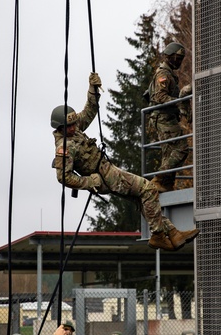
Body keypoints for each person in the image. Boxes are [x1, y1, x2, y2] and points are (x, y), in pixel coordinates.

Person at [52, 73, 198, 252]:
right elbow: (63, 177)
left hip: (107, 171)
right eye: (69, 126)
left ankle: (174, 234)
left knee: (141, 199)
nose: (74, 127)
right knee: (148, 188)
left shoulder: (73, 132)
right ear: (59, 128)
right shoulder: (65, 146)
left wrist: (93, 90)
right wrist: (90, 182)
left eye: (74, 124)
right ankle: (158, 235)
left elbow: (89, 111)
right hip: (106, 176)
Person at [145, 42, 189, 192]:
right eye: (177, 58)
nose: (178, 62)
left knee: (169, 152)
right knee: (182, 148)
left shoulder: (170, 73)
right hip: (163, 117)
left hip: (166, 117)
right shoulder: (163, 73)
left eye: (180, 59)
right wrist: (178, 103)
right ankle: (159, 178)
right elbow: (160, 96)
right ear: (169, 56)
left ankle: (165, 185)